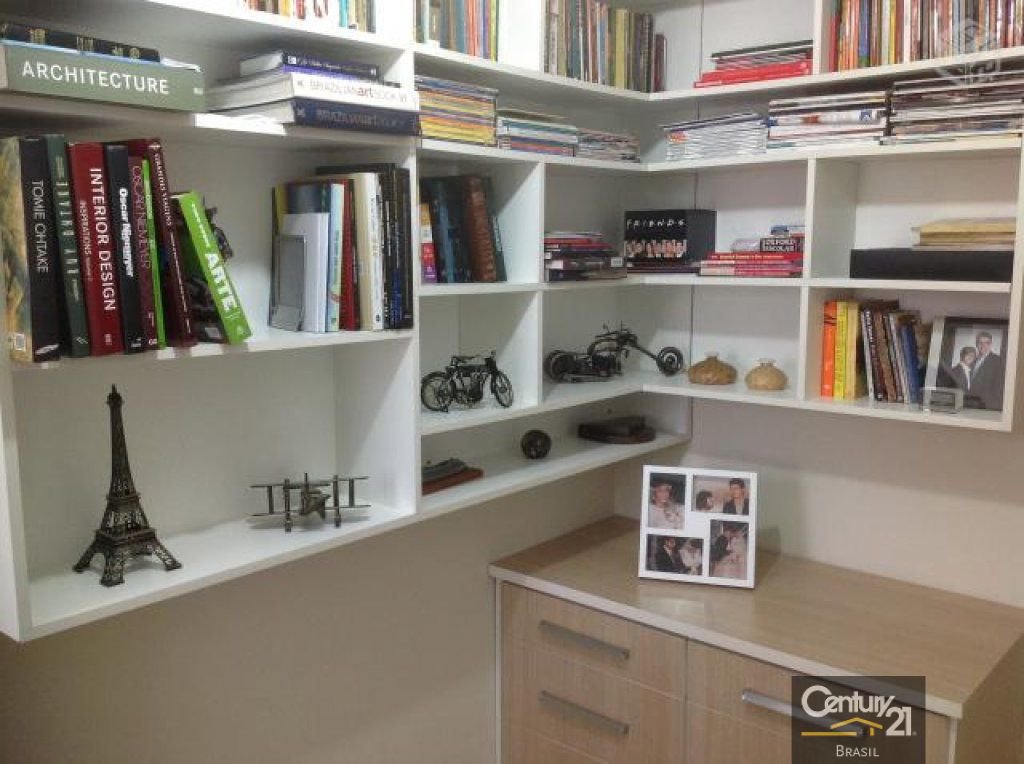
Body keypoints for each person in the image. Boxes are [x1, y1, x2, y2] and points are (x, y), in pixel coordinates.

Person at [970, 330, 1004, 410]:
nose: (983, 345)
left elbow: (999, 388)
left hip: (987, 406)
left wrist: (993, 408)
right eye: (980, 343)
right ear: (976, 344)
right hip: (970, 404)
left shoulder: (998, 361)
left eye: (986, 343)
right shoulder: (972, 360)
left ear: (990, 344)